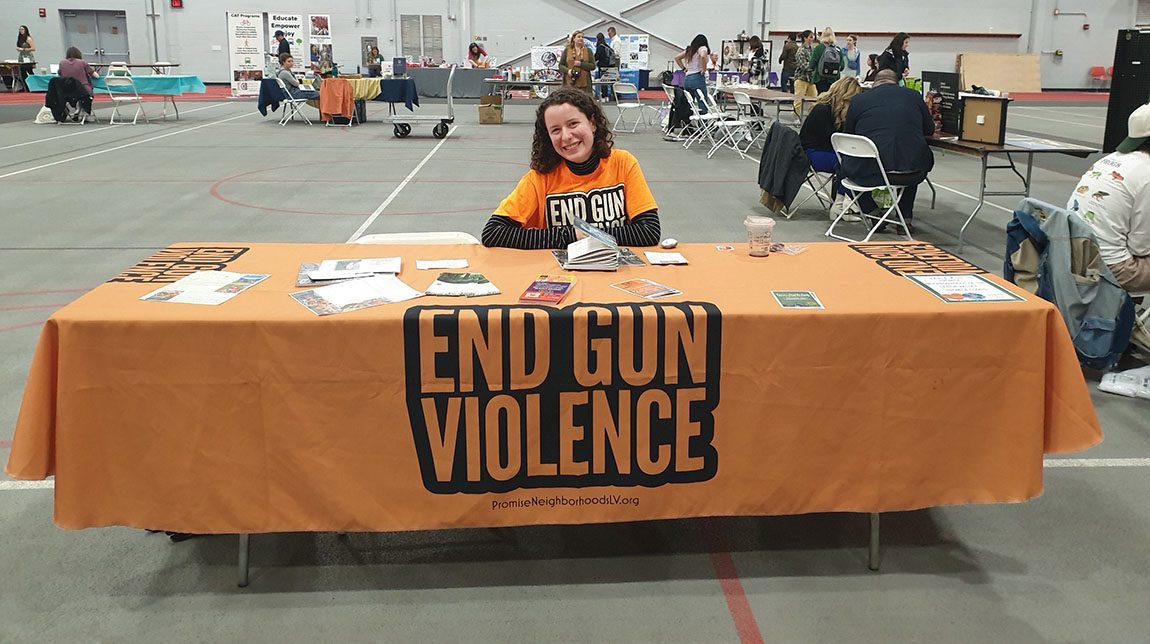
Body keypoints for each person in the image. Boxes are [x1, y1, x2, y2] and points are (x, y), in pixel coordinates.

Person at [482, 88, 661, 249]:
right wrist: (570, 236)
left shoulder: (623, 163)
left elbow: (649, 231)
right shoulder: (540, 178)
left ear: (592, 123)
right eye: (556, 130)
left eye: (573, 124)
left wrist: (588, 235)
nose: (566, 136)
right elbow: (493, 232)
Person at [1066, 103, 1150, 293]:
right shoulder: (1147, 173)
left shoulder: (1112, 159)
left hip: (1074, 256)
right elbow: (1140, 248)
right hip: (1112, 269)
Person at [841, 69, 934, 233]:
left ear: (874, 83)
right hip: (912, 173)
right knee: (911, 160)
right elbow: (929, 129)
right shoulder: (914, 96)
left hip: (871, 173)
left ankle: (873, 213)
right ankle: (904, 221)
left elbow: (849, 134)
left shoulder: (859, 100)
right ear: (896, 82)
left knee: (841, 168)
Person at [799, 76, 863, 221]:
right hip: (812, 154)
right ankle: (840, 205)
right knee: (851, 164)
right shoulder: (822, 110)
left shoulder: (833, 109)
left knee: (855, 161)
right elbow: (834, 139)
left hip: (825, 150)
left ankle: (844, 203)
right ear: (845, 96)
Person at [675, 34, 711, 114]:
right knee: (702, 101)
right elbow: (703, 56)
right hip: (697, 77)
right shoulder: (702, 48)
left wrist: (684, 68)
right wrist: (704, 69)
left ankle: (687, 119)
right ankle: (703, 121)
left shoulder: (690, 50)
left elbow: (677, 58)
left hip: (687, 78)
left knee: (688, 102)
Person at [559, 30, 595, 94]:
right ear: (573, 39)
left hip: (584, 84)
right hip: (570, 83)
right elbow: (561, 65)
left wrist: (581, 64)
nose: (581, 38)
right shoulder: (567, 50)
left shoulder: (588, 51)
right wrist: (568, 71)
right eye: (578, 37)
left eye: (582, 37)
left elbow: (593, 66)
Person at [809, 27, 844, 94]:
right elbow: (842, 66)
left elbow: (812, 65)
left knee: (822, 97)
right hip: (834, 79)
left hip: (820, 79)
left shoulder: (818, 48)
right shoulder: (838, 49)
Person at [792, 30, 816, 120]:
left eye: (812, 37)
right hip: (801, 78)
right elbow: (803, 65)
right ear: (805, 38)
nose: (812, 39)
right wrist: (813, 66)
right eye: (810, 37)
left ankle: (812, 118)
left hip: (811, 79)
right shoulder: (800, 50)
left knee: (814, 100)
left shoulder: (813, 50)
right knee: (798, 100)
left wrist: (812, 65)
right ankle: (796, 118)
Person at [594, 32, 615, 101]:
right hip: (610, 66)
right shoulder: (606, 46)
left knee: (603, 82)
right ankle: (607, 97)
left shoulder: (600, 47)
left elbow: (597, 56)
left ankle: (603, 97)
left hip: (602, 66)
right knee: (608, 81)